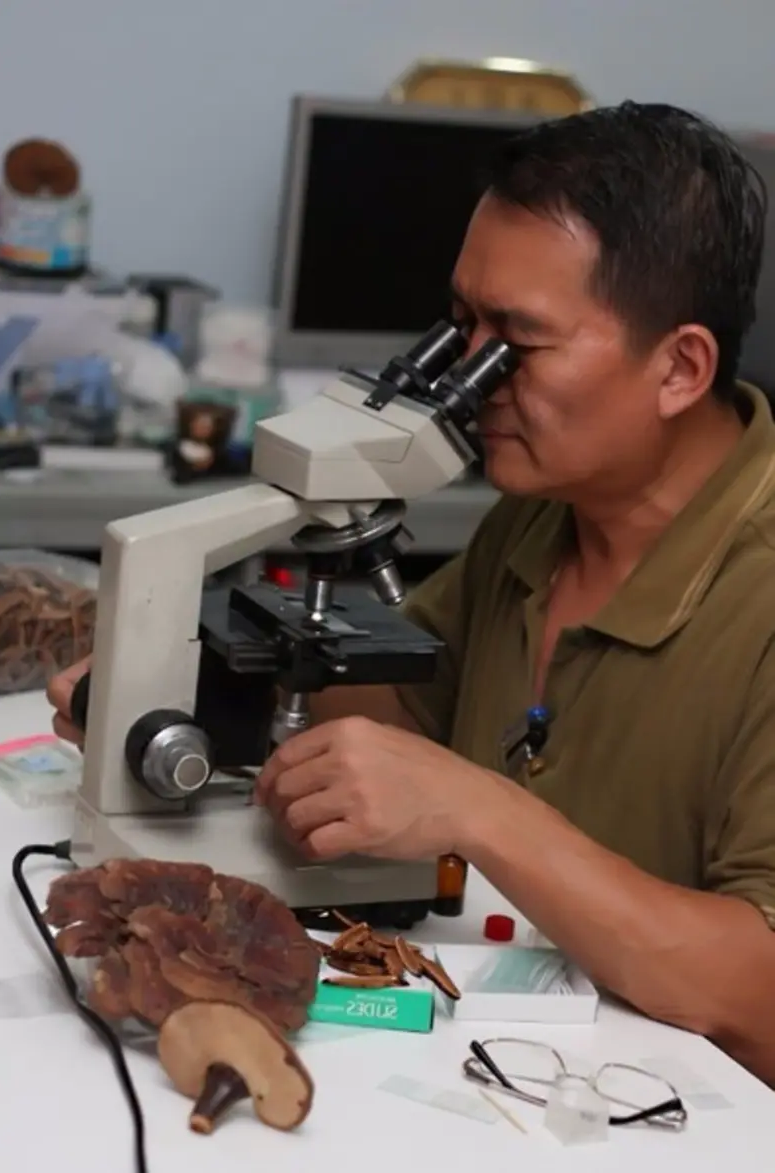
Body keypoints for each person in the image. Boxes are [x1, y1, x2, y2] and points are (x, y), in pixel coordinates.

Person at [49, 101, 775, 1085]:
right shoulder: (543, 515)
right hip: (491, 1060)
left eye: (516, 341)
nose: (470, 377)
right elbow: (398, 710)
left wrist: (484, 814)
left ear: (680, 366)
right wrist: (183, 690)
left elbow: (759, 996)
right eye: (460, 326)